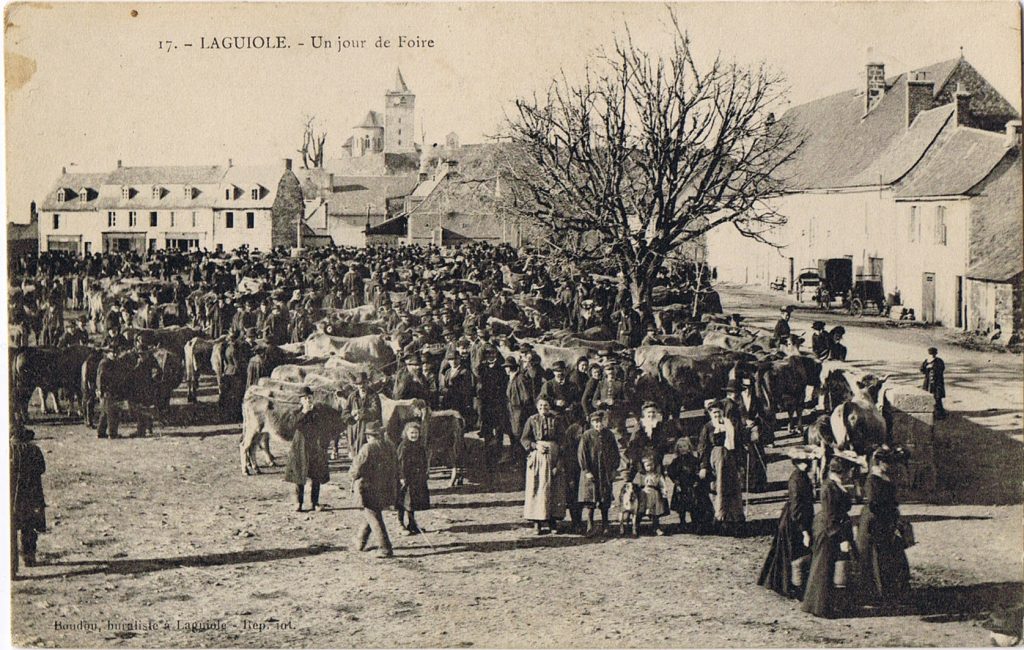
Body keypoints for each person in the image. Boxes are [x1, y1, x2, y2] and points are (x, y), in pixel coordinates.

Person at [801, 456, 858, 619]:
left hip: (831, 527)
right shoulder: (829, 488)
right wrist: (842, 538)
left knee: (827, 567)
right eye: (848, 471)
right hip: (827, 530)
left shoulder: (835, 484)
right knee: (823, 567)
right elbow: (830, 515)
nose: (850, 474)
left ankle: (823, 604)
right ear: (842, 472)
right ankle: (818, 606)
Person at [857, 445, 911, 609]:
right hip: (876, 524)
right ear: (879, 463)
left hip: (886, 521)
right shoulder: (873, 481)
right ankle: (879, 595)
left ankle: (893, 592)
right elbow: (876, 506)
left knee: (891, 558)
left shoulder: (883, 477)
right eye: (887, 462)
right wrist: (889, 522)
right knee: (877, 559)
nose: (890, 465)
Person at [757, 451, 815, 599]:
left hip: (796, 519)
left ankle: (788, 585)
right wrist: (804, 531)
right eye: (804, 462)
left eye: (808, 462)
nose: (807, 464)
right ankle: (791, 587)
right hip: (794, 522)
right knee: (793, 554)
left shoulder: (801, 477)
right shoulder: (797, 480)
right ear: (796, 463)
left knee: (787, 554)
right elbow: (797, 508)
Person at [350, 421, 400, 559]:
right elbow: (396, 466)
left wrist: (352, 475)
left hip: (368, 488)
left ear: (369, 436)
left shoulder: (367, 448)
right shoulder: (390, 446)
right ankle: (360, 541)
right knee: (371, 514)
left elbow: (356, 469)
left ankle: (385, 548)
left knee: (374, 516)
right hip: (386, 487)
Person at [697, 399, 745, 534]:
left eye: (719, 413)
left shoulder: (730, 425)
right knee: (719, 488)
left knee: (732, 488)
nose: (717, 416)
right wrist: (703, 466)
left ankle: (734, 518)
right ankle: (720, 518)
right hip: (716, 460)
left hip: (730, 460)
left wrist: (740, 463)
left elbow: (738, 444)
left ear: (723, 412)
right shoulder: (708, 427)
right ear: (710, 414)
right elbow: (702, 448)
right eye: (714, 413)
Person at [520, 396, 566, 535]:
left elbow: (563, 440)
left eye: (545, 406)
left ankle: (552, 521)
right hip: (538, 457)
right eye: (540, 406)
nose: (543, 409)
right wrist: (535, 446)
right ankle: (537, 522)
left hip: (553, 454)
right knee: (538, 487)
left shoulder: (557, 420)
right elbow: (524, 439)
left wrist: (559, 460)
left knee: (553, 488)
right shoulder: (532, 420)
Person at [284, 387, 331, 512]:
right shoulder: (296, 413)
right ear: (301, 401)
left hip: (315, 447)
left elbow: (324, 427)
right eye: (305, 399)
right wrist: (304, 413)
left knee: (316, 476)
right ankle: (298, 503)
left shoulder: (319, 412)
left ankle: (314, 503)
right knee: (299, 476)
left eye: (309, 398)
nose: (308, 400)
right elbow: (291, 426)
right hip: (300, 447)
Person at [577, 409, 620, 537]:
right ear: (591, 423)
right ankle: (590, 525)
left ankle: (605, 525)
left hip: (605, 472)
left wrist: (614, 469)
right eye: (595, 422)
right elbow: (582, 454)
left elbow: (615, 453)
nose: (598, 424)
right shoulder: (587, 435)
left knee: (604, 499)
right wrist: (586, 470)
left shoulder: (609, 435)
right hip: (591, 472)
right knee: (590, 500)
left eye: (600, 422)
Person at [10, 424, 46, 576]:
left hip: (10, 498)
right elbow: (42, 468)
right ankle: (29, 557)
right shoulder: (34, 450)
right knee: (29, 528)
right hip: (31, 496)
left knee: (9, 531)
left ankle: (11, 568)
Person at [666, 437, 713, 533]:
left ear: (689, 447)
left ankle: (694, 523)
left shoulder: (694, 460)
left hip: (691, 486)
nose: (682, 449)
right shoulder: (676, 461)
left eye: (684, 446)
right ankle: (682, 523)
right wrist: (676, 481)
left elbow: (697, 471)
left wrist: (697, 481)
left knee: (693, 506)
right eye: (680, 447)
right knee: (681, 506)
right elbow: (671, 471)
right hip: (681, 486)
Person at [396, 420, 430, 536]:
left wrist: (425, 473)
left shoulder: (420, 446)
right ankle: (400, 523)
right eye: (411, 433)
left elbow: (424, 461)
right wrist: (401, 477)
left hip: (416, 478)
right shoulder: (404, 446)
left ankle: (412, 523)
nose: (414, 435)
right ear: (406, 433)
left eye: (416, 433)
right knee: (402, 502)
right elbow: (400, 463)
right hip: (405, 478)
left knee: (412, 502)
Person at [631, 453, 670, 536]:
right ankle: (636, 527)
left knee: (655, 513)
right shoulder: (640, 475)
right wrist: (638, 490)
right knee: (640, 511)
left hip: (655, 495)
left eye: (652, 465)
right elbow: (635, 485)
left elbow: (662, 484)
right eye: (647, 465)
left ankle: (656, 527)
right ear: (643, 466)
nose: (650, 467)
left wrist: (664, 491)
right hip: (643, 495)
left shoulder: (657, 475)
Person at [346, 373, 383, 459]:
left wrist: (361, 413)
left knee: (368, 454)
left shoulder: (373, 396)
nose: (361, 386)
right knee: (355, 455)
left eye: (364, 383)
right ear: (356, 385)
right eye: (359, 384)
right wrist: (351, 416)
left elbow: (375, 410)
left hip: (368, 429)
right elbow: (345, 412)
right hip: (354, 430)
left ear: (367, 383)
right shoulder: (352, 396)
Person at [920, 347, 946, 419]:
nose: (932, 356)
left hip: (937, 382)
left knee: (937, 398)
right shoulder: (926, 361)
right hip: (928, 382)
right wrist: (926, 368)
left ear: (935, 354)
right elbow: (922, 370)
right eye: (930, 354)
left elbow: (941, 369)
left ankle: (940, 414)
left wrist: (933, 367)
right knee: (927, 396)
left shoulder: (939, 361)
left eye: (933, 354)